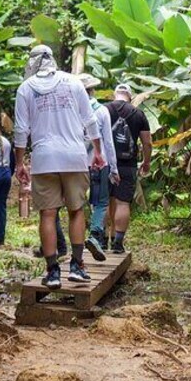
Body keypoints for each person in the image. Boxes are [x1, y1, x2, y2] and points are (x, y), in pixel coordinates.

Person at [14, 45, 107, 290]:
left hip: (44, 159)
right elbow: (90, 120)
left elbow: (21, 130)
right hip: (74, 156)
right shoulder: (74, 83)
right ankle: (77, 265)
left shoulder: (25, 89)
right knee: (76, 210)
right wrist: (98, 151)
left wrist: (19, 162)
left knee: (47, 214)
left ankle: (53, 271)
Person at [106, 84, 152, 254]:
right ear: (130, 97)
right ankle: (117, 243)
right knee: (123, 202)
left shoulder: (104, 110)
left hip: (106, 163)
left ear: (114, 95)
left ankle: (102, 241)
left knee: (104, 201)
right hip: (128, 165)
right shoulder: (138, 114)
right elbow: (147, 142)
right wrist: (146, 162)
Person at [77, 74, 120, 250]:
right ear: (93, 90)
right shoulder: (102, 111)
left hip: (77, 162)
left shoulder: (73, 111)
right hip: (99, 162)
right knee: (101, 201)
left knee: (78, 202)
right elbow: (108, 142)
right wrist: (114, 168)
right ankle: (95, 233)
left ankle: (77, 241)